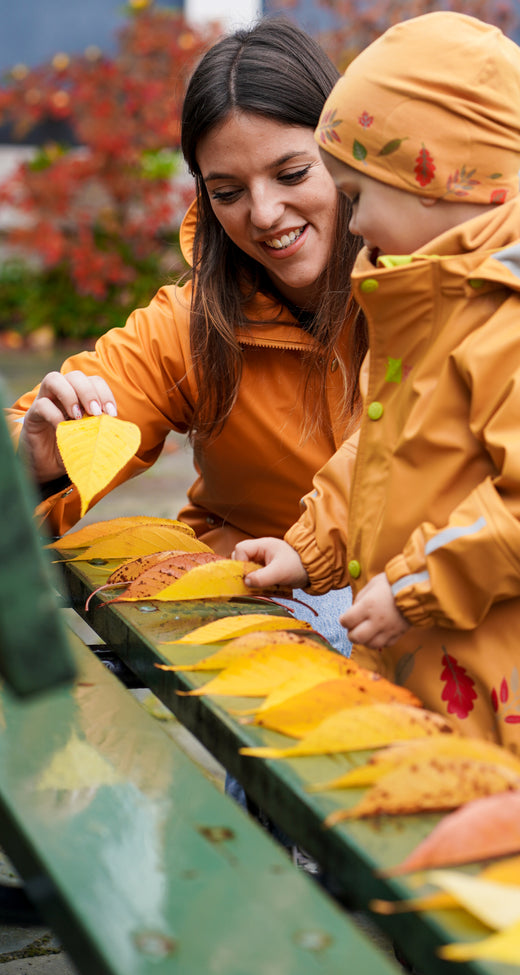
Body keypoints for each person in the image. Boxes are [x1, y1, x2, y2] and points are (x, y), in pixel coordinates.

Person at [232, 11, 520, 794]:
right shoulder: (437, 297)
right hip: (427, 654)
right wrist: (312, 546)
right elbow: (382, 449)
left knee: (470, 855)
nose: (351, 220)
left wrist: (414, 586)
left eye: (360, 195)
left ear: (433, 187)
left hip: (504, 696)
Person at [6, 16, 367, 653]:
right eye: (227, 191)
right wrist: (33, 465)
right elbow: (80, 404)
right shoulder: (194, 324)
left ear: (344, 155)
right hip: (267, 609)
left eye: (291, 175)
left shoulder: (429, 287)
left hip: (432, 600)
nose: (262, 214)